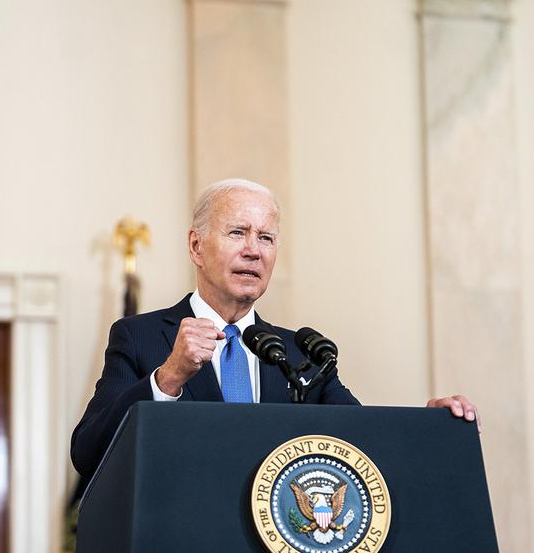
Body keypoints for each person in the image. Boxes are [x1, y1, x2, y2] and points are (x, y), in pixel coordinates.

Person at [70, 178, 478, 479]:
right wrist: (168, 378)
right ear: (196, 246)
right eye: (237, 233)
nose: (253, 250)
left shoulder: (298, 353)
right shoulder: (139, 337)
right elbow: (89, 452)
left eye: (266, 237)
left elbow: (363, 438)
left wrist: (429, 428)